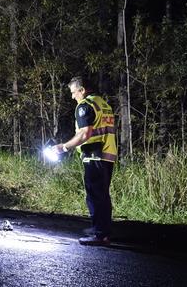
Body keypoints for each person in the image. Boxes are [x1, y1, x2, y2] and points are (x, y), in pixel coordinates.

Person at [52, 76, 117, 246]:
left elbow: (84, 134)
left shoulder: (85, 106)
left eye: (74, 92)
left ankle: (100, 235)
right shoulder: (103, 104)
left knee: (94, 195)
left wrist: (64, 147)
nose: (73, 97)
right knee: (103, 195)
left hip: (94, 154)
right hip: (108, 154)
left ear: (82, 90)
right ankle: (103, 231)